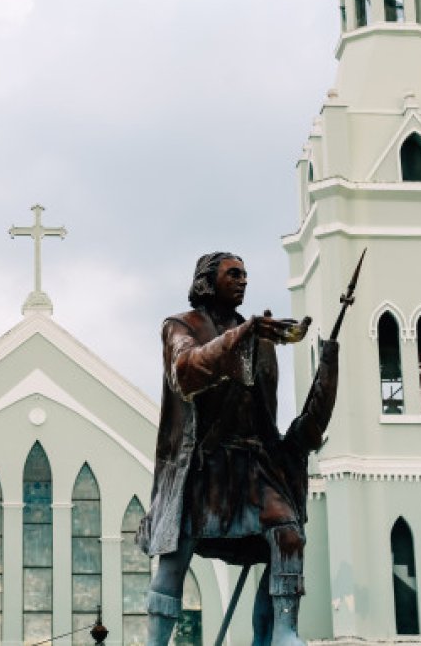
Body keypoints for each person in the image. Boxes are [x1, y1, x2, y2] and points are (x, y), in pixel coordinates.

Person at [136, 252, 339, 646]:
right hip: (202, 466)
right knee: (175, 559)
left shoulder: (262, 340)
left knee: (287, 534)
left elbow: (266, 411)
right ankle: (156, 641)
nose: (243, 280)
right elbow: (186, 372)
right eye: (234, 274)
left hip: (253, 466)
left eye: (246, 274)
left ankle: (282, 631)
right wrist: (246, 333)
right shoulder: (182, 325)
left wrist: (327, 364)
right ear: (207, 281)